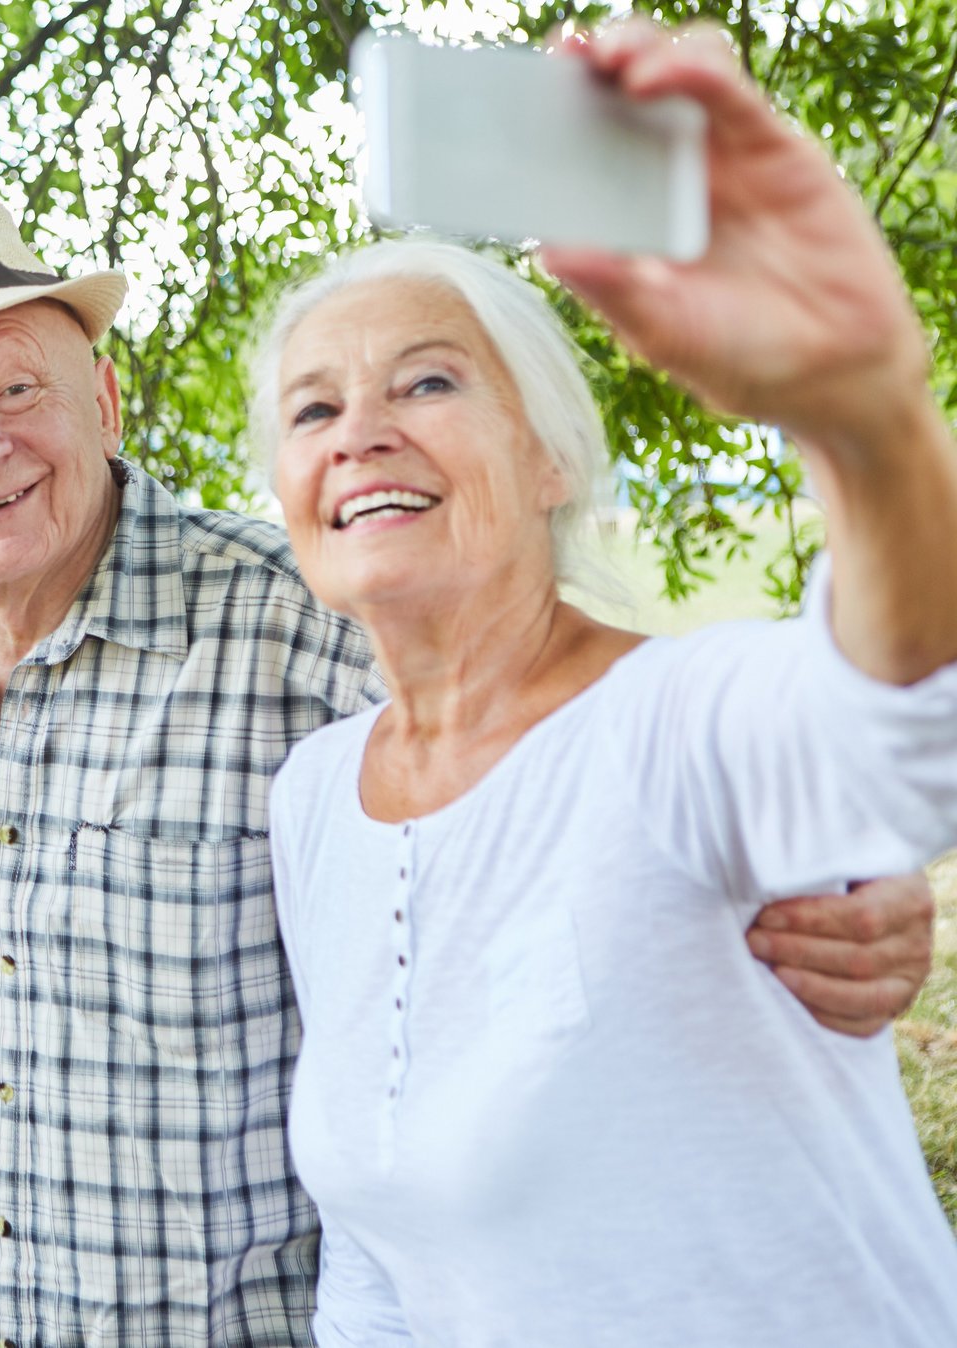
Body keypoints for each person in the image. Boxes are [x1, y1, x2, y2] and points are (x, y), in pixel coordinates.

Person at [0, 186, 943, 1343]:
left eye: (16, 390)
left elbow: (571, 729)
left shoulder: (308, 601)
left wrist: (836, 864)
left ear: (106, 397)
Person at [256, 23, 957, 1346]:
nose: (362, 431)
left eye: (429, 379)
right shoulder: (314, 803)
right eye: (311, 409)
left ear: (549, 462)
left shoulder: (673, 722)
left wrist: (866, 423)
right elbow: (380, 1255)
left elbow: (905, 731)